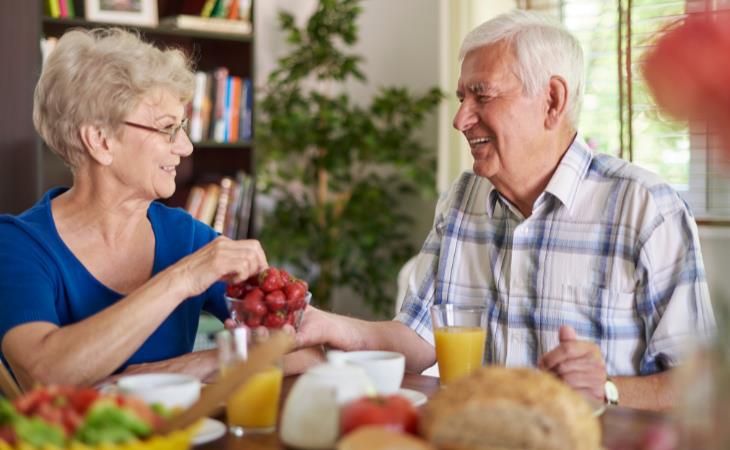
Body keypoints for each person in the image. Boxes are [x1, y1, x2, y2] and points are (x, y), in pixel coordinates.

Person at [296, 10, 716, 411]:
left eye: (482, 95)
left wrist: (606, 388)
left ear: (552, 100)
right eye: (462, 97)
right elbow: (417, 337)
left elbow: (700, 386)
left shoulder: (645, 209)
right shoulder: (463, 199)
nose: (460, 119)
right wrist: (328, 326)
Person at [0, 28, 270, 389]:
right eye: (168, 129)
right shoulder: (19, 244)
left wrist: (162, 373)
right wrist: (182, 278)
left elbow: (295, 339)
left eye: (183, 127)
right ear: (100, 140)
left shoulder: (185, 235)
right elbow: (46, 374)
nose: (186, 147)